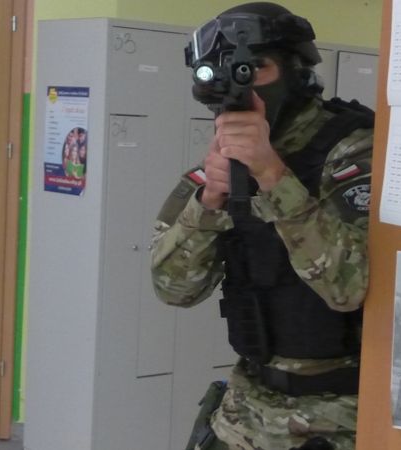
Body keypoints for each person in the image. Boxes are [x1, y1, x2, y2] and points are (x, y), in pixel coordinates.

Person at [150, 3, 374, 449]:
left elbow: (350, 289)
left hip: (342, 417)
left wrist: (273, 177)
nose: (240, 84)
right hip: (247, 410)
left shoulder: (356, 150)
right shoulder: (217, 166)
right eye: (218, 71)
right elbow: (174, 289)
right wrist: (209, 202)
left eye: (255, 67)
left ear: (296, 70)